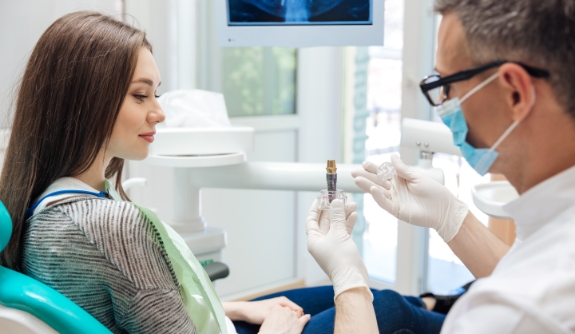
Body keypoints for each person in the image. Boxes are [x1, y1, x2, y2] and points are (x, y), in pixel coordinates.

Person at [0, 10, 451, 334]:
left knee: (364, 298)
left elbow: (138, 307)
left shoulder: (42, 201)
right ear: (84, 102)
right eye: (141, 96)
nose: (159, 113)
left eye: (157, 93)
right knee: (386, 306)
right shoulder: (107, 225)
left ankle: (442, 304)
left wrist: (235, 307)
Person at [307, 0, 575, 332]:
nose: (444, 104)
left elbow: (525, 291)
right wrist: (451, 217)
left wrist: (349, 284)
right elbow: (526, 268)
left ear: (515, 94)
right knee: (393, 306)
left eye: (446, 85)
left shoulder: (511, 313)